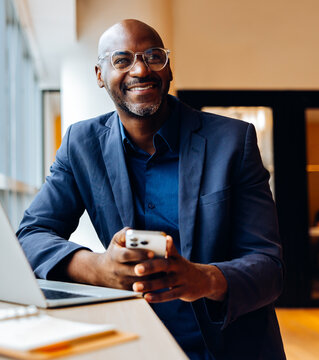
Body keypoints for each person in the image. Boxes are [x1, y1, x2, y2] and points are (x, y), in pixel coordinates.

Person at [16, 19, 285, 359]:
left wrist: (203, 278)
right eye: (122, 60)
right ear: (100, 76)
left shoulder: (233, 141)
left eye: (153, 56)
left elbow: (270, 268)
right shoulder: (81, 145)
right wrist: (100, 268)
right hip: (134, 343)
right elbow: (30, 236)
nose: (140, 69)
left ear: (168, 68)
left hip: (230, 345)